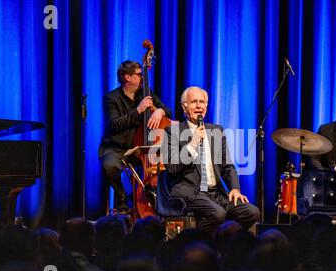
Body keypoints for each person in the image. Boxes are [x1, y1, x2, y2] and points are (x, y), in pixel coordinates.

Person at [163, 86, 260, 237]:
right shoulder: (172, 132)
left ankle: (223, 242)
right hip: (191, 192)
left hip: (215, 193)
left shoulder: (216, 131)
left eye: (202, 102)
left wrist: (235, 189)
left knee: (251, 212)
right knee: (218, 214)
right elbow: (172, 167)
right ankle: (196, 244)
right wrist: (193, 142)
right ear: (184, 107)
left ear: (207, 107)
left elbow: (228, 165)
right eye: (194, 102)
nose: (199, 106)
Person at [99, 60, 172, 213]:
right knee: (109, 166)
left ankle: (149, 200)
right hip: (117, 148)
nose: (143, 78)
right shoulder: (111, 98)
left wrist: (160, 111)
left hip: (140, 149)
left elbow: (167, 110)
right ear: (127, 77)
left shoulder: (146, 93)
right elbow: (114, 125)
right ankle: (122, 198)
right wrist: (138, 110)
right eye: (139, 75)